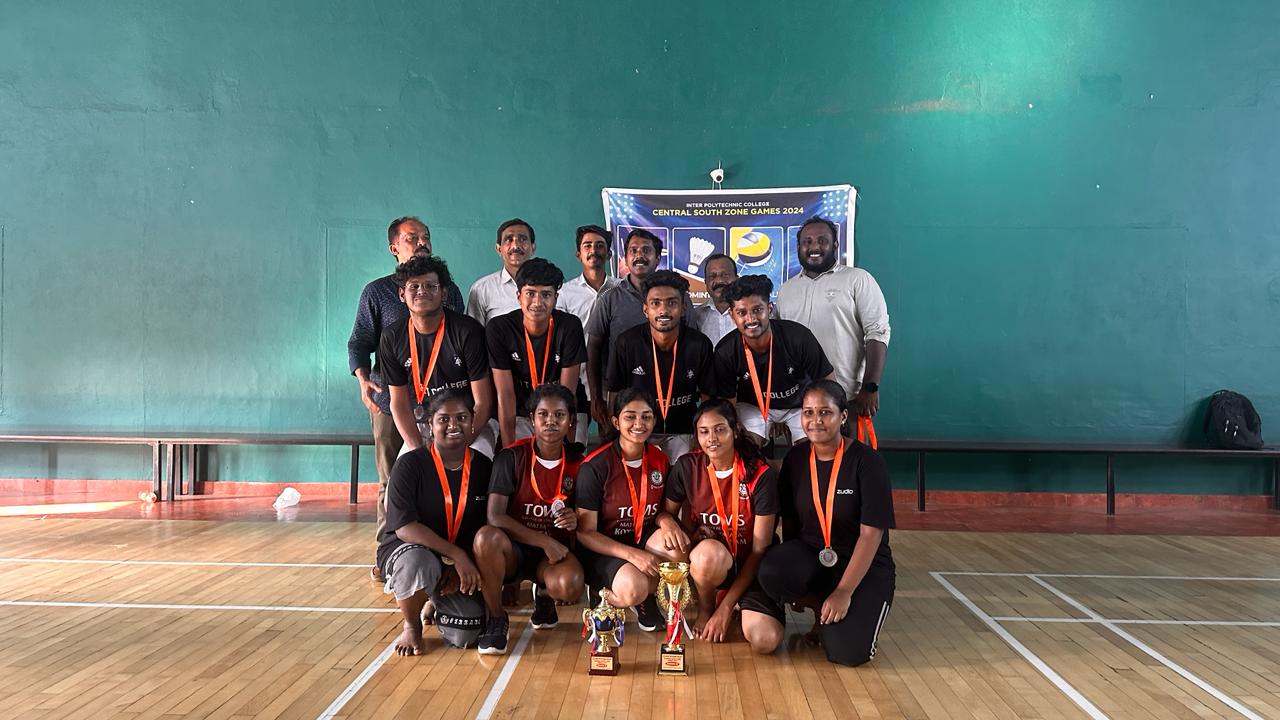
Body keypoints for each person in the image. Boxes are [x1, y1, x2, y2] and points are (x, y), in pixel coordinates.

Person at [350, 216, 464, 582]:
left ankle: (440, 550)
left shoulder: (449, 290)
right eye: (412, 238)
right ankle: (387, 554)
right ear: (394, 248)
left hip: (441, 406)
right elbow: (359, 342)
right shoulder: (377, 292)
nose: (421, 243)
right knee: (393, 479)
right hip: (391, 403)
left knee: (445, 477)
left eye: (426, 237)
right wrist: (362, 378)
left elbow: (456, 342)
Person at [757, 380, 896, 667]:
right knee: (773, 569)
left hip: (862, 563)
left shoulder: (868, 463)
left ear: (843, 416)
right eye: (808, 412)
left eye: (825, 412)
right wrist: (796, 581)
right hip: (815, 556)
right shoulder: (796, 459)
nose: (815, 420)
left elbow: (870, 535)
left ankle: (841, 605)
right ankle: (821, 603)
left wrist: (844, 591)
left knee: (848, 653)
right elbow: (791, 523)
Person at [662, 400, 784, 653]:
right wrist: (675, 527)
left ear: (735, 430)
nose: (711, 439)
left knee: (766, 640)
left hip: (753, 566)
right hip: (715, 564)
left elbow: (759, 551)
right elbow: (666, 512)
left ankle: (733, 604)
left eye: (719, 429)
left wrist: (725, 610)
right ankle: (707, 606)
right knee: (707, 555)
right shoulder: (688, 466)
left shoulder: (760, 474)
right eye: (704, 431)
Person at [378, 390, 494, 656]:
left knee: (467, 633)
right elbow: (405, 527)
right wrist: (455, 555)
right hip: (411, 550)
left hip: (460, 559)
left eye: (461, 417)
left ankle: (435, 599)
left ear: (473, 421)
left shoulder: (484, 467)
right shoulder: (410, 465)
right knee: (417, 563)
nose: (453, 425)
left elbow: (488, 527)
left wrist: (461, 562)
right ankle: (411, 625)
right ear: (430, 424)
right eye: (444, 419)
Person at [472, 384, 586, 653]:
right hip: (513, 550)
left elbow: (586, 516)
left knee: (570, 584)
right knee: (485, 538)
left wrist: (574, 518)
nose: (551, 421)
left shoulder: (580, 463)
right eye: (543, 414)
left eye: (559, 415)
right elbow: (495, 516)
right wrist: (542, 541)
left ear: (571, 421)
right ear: (532, 419)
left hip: (552, 555)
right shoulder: (511, 457)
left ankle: (544, 595)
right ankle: (496, 618)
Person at [574, 388, 688, 631]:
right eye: (630, 417)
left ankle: (645, 598)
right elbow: (585, 533)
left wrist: (666, 520)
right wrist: (633, 555)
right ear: (616, 422)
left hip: (640, 538)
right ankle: (604, 593)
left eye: (646, 417)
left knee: (678, 549)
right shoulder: (595, 466)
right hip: (603, 548)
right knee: (633, 588)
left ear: (654, 421)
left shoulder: (660, 460)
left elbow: (660, 510)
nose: (639, 423)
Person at [378, 256, 496, 461]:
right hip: (424, 425)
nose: (421, 291)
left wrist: (457, 448)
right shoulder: (392, 337)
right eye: (414, 286)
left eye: (430, 286)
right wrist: (419, 451)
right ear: (402, 294)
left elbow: (483, 402)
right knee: (404, 472)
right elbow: (399, 404)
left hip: (468, 424)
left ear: (444, 293)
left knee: (478, 463)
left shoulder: (468, 331)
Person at [777, 217, 890, 418]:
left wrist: (870, 386)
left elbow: (877, 332)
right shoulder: (786, 289)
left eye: (822, 241)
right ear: (799, 247)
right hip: (797, 404)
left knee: (848, 441)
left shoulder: (857, 279)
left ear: (835, 245)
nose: (814, 247)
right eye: (807, 241)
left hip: (846, 399)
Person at [585, 228, 694, 431]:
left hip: (673, 399)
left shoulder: (680, 297)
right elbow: (593, 348)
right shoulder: (610, 299)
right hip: (620, 398)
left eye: (646, 250)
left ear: (657, 258)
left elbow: (691, 343)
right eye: (633, 251)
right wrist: (597, 398)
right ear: (625, 259)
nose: (639, 255)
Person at [712, 275, 833, 448]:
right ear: (732, 315)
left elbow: (828, 383)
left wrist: (825, 421)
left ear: (769, 309)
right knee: (745, 448)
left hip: (799, 404)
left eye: (757, 310)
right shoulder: (726, 350)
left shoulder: (798, 337)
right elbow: (727, 402)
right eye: (742, 313)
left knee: (810, 450)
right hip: (754, 406)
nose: (751, 319)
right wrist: (735, 431)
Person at [605, 270, 714, 461]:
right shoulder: (627, 343)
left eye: (672, 303)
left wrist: (701, 435)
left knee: (685, 471)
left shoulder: (699, 344)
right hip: (638, 428)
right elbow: (615, 393)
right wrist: (616, 435)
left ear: (683, 308)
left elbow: (708, 397)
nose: (663, 311)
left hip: (682, 429)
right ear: (645, 309)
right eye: (656, 303)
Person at [486, 258, 587, 448]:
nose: (538, 302)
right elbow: (505, 396)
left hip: (565, 410)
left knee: (572, 459)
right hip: (520, 412)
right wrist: (510, 452)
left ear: (555, 298)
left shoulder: (570, 326)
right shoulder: (499, 328)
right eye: (530, 294)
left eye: (546, 294)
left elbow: (568, 394)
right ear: (519, 296)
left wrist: (567, 450)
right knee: (522, 458)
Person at [557, 224, 620, 443]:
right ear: (578, 254)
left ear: (609, 254)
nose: (594, 250)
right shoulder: (565, 293)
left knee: (611, 440)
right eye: (587, 246)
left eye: (600, 246)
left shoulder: (621, 290)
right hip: (575, 377)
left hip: (610, 377)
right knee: (575, 442)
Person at [467, 218, 536, 325]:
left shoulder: (553, 289)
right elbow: (473, 332)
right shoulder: (481, 289)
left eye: (523, 239)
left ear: (533, 248)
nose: (516, 246)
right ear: (499, 249)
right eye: (509, 239)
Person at [692, 253, 739, 345]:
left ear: (736, 279)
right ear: (705, 282)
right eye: (712, 276)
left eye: (725, 275)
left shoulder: (750, 315)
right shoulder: (696, 316)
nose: (719, 281)